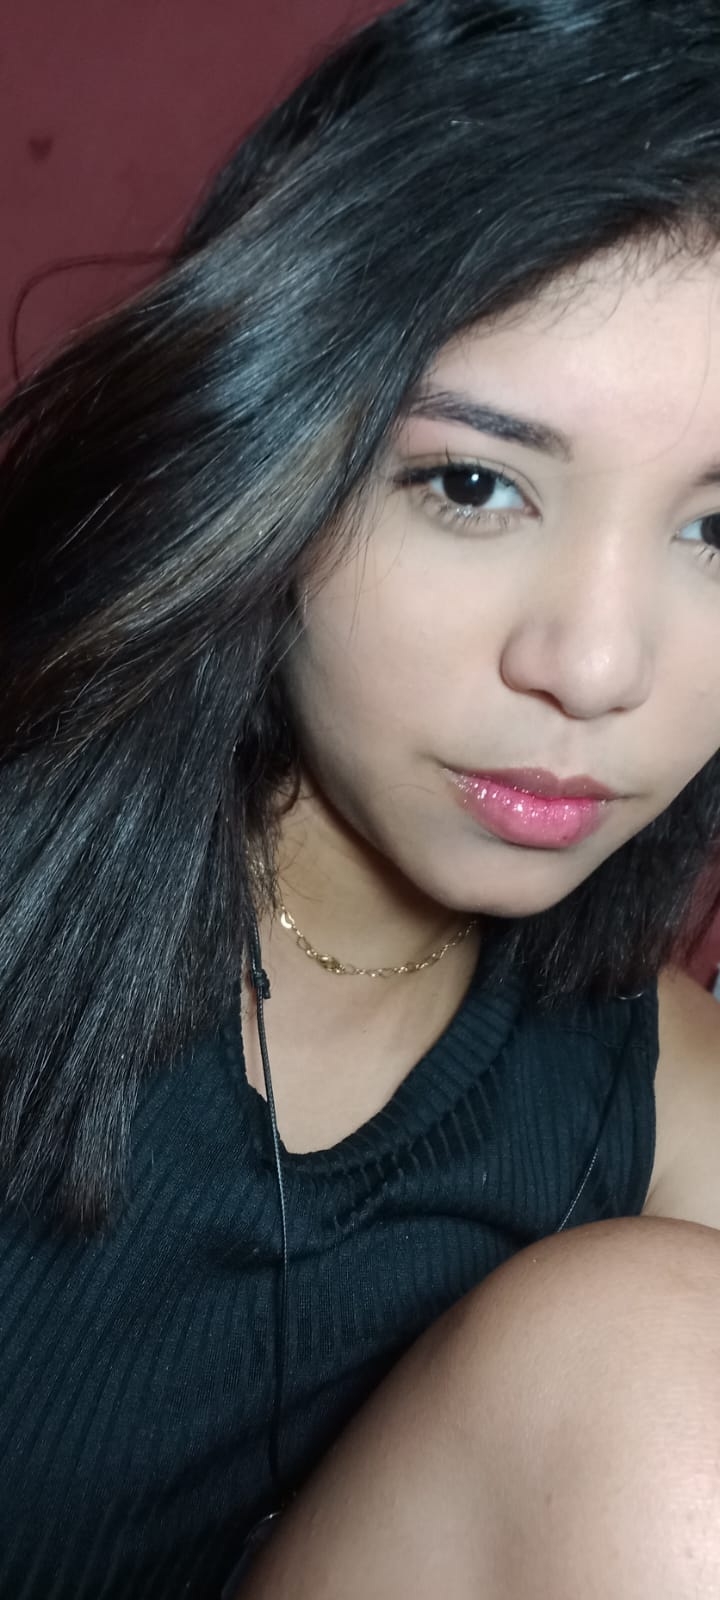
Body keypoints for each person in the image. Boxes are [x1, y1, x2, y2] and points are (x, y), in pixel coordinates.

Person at [4, 0, 720, 1594]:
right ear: (271, 459)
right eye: (473, 484)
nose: (596, 666)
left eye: (718, 531)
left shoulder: (646, 1090)